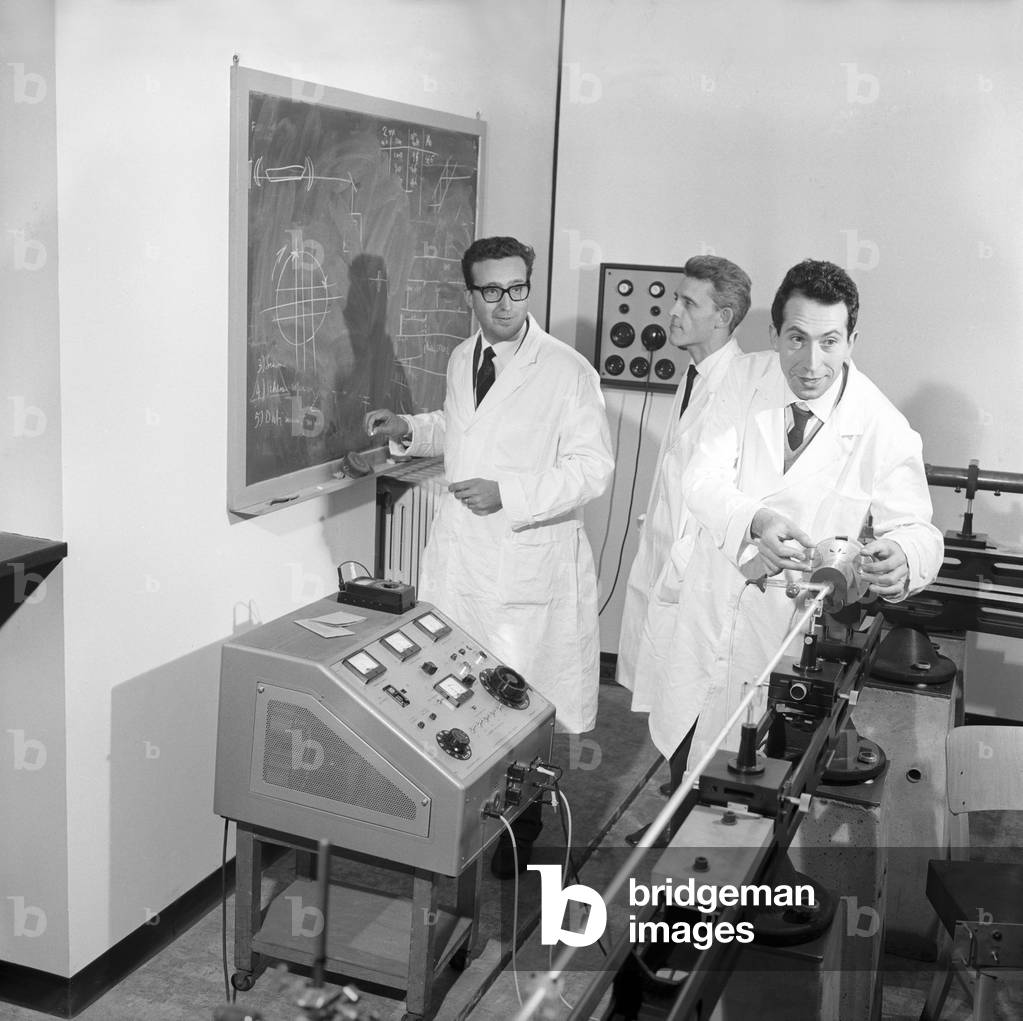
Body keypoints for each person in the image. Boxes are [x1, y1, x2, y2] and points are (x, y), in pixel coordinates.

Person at [364, 236, 614, 874]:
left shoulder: (566, 371)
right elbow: (463, 429)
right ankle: (464, 818)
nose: (507, 304)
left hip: (524, 559)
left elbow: (593, 471)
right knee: (456, 697)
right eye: (492, 291)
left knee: (520, 704)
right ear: (469, 295)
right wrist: (411, 430)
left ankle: (521, 830)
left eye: (518, 289)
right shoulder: (460, 357)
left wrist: (513, 493)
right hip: (464, 560)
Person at [656, 258, 943, 775]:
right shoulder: (742, 380)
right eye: (796, 339)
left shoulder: (882, 425)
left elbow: (918, 530)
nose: (812, 362)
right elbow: (700, 479)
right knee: (685, 747)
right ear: (774, 333)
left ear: (852, 338)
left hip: (787, 629)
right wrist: (756, 520)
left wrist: (905, 557)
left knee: (759, 771)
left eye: (830, 341)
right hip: (710, 598)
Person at [615, 256, 752, 844]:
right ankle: (677, 814)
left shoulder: (738, 387)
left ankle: (689, 830)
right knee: (673, 691)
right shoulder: (692, 374)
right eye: (676, 298)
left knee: (694, 699)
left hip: (700, 578)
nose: (672, 311)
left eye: (688, 304)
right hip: (670, 563)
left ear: (722, 317)